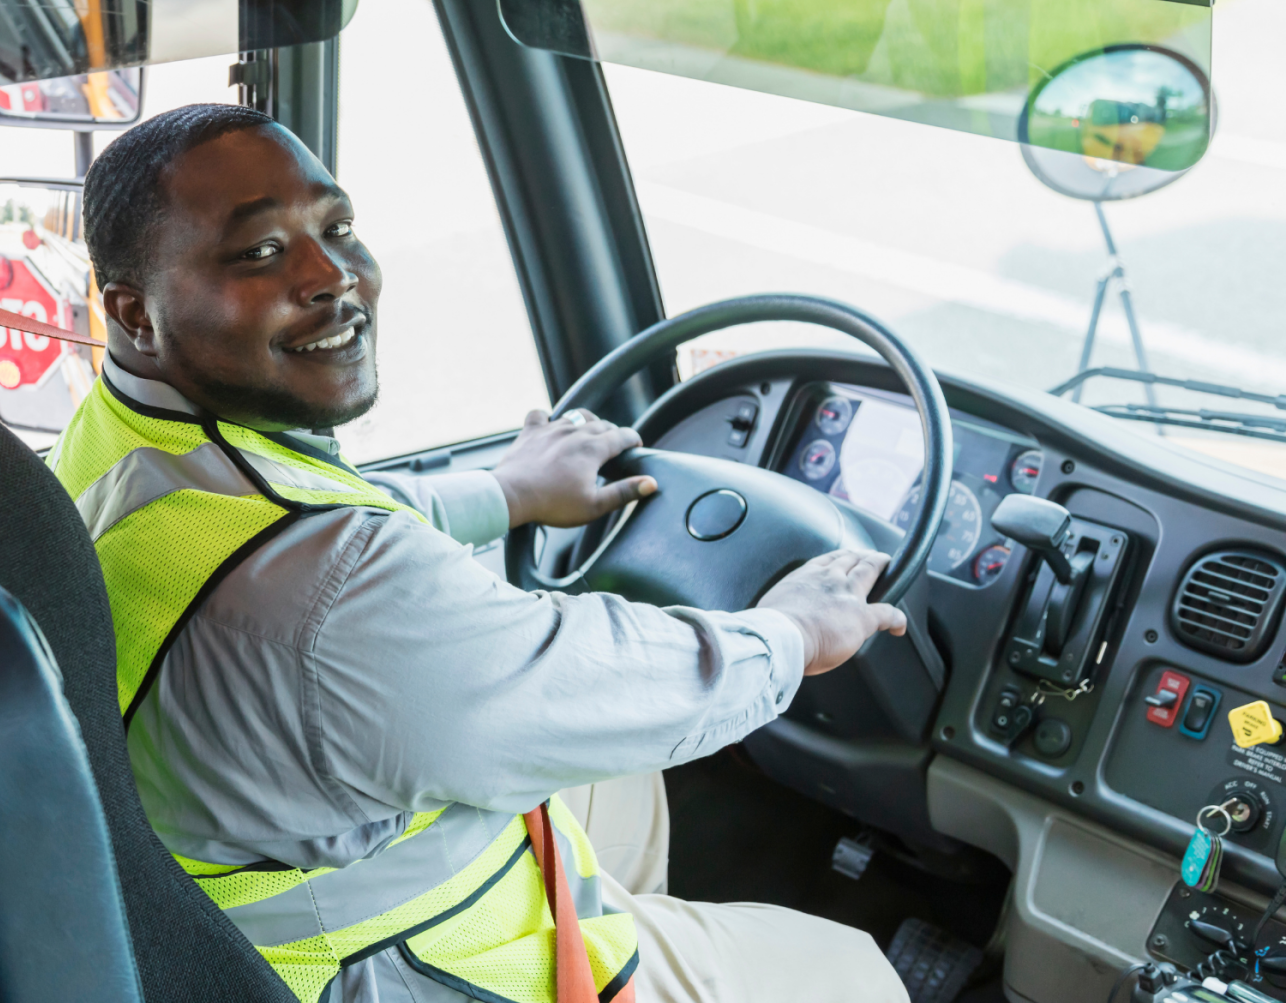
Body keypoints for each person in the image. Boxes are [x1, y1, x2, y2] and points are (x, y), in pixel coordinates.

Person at [45, 103, 911, 1003]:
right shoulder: (327, 591)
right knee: (847, 971)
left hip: (248, 844)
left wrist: (505, 493)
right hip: (394, 962)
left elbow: (301, 534)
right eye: (260, 252)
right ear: (133, 311)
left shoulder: (125, 439)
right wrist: (792, 636)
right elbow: (569, 676)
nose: (333, 275)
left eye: (336, 227)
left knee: (625, 768)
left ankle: (629, 926)